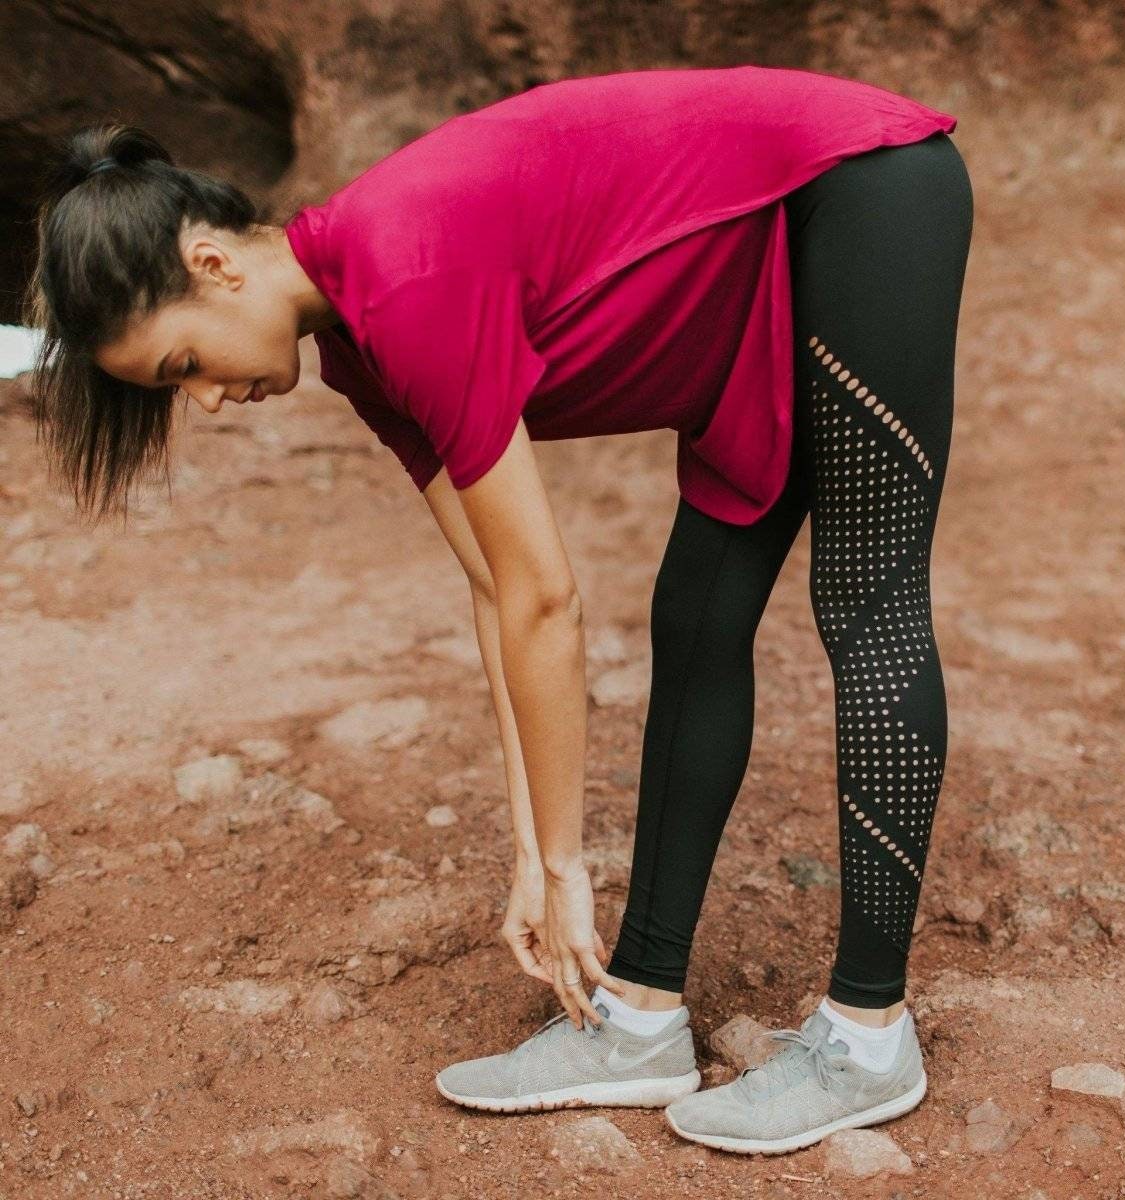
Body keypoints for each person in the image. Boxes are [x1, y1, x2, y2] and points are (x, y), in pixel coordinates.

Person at [23, 64, 972, 1155]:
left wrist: (569, 869)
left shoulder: (402, 274)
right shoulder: (359, 352)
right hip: (737, 290)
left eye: (181, 363)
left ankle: (867, 1037)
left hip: (859, 191)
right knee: (698, 618)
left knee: (867, 597)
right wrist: (531, 851)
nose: (204, 399)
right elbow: (492, 584)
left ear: (213, 263)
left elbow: (546, 598)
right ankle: (639, 1019)